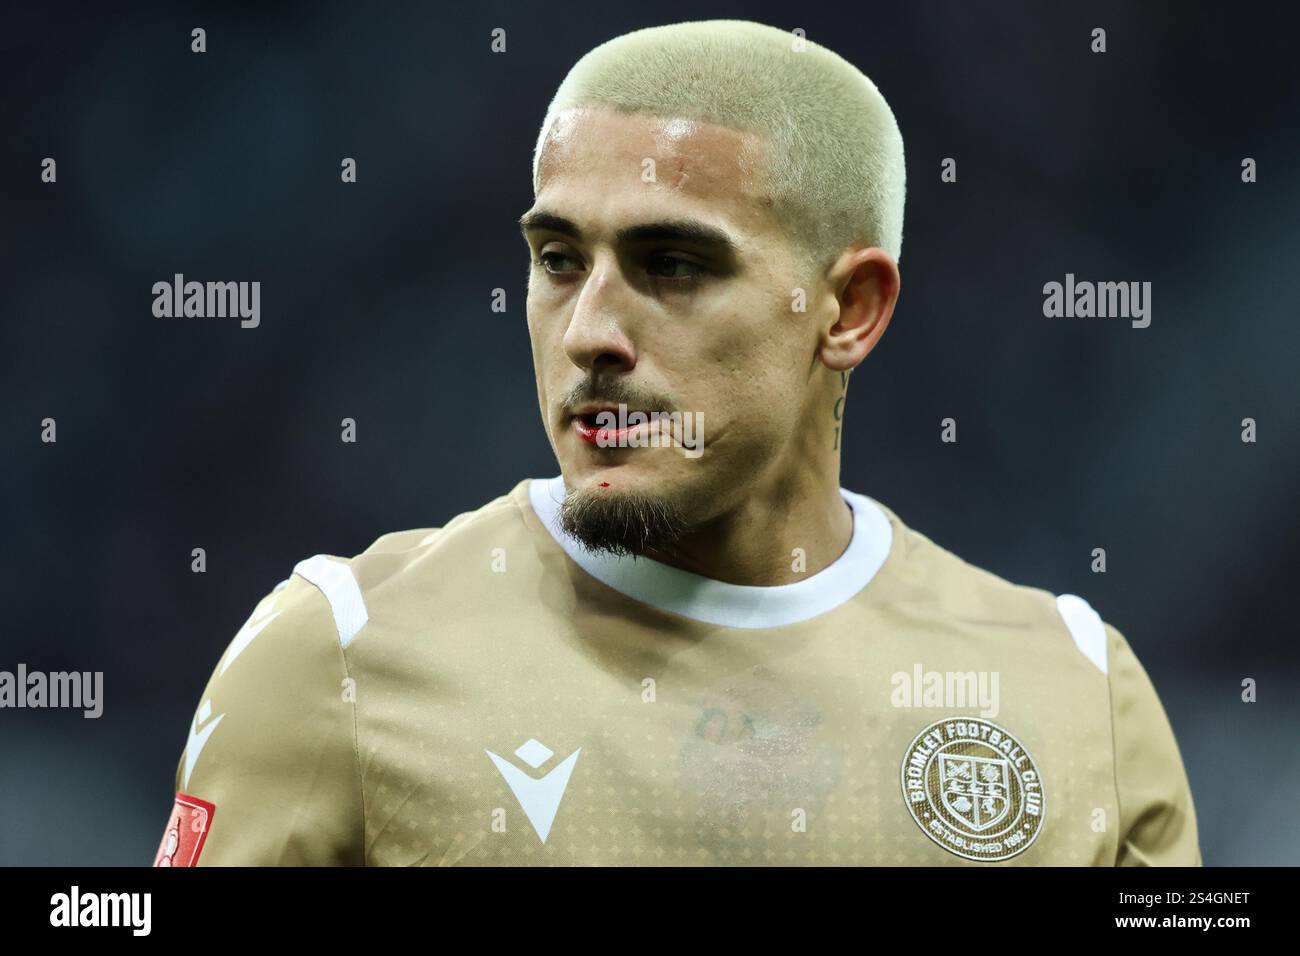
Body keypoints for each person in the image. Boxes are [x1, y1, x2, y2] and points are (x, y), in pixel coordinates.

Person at [156, 19, 1199, 866]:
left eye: (672, 263)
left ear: (848, 309)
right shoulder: (336, 656)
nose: (590, 334)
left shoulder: (1072, 695)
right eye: (559, 258)